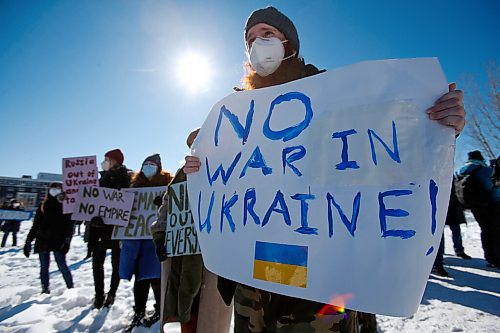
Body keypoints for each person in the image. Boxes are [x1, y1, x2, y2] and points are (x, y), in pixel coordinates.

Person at [183, 6, 466, 332]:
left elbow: (388, 145)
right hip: (255, 283)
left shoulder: (333, 94)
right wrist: (201, 166)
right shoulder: (236, 114)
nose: (257, 43)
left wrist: (438, 126)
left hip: (322, 282)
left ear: (288, 43)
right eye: (250, 39)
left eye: (267, 34)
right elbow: (227, 179)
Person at [152, 128, 204, 333]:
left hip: (210, 257)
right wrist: (159, 234)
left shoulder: (226, 167)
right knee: (181, 295)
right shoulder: (181, 174)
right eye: (193, 145)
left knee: (202, 300)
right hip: (182, 249)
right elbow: (167, 206)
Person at [121, 154, 173, 331]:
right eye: (145, 164)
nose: (148, 167)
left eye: (152, 165)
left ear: (159, 167)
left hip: (156, 239)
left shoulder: (168, 184)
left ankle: (160, 310)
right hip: (138, 241)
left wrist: (163, 202)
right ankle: (139, 312)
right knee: (140, 279)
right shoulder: (134, 186)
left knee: (157, 278)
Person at [89, 148, 131, 308]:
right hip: (99, 229)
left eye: (107, 159)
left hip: (117, 229)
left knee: (116, 264)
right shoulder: (100, 179)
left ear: (116, 161)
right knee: (96, 263)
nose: (105, 161)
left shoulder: (127, 179)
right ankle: (98, 294)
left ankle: (112, 293)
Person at [23, 182, 74, 294]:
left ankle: (70, 287)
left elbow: (70, 226)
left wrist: (67, 240)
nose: (55, 190)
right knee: (44, 267)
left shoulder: (66, 206)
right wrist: (28, 240)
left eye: (57, 188)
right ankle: (45, 288)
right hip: (43, 240)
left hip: (58, 240)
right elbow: (36, 225)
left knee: (61, 264)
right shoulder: (43, 206)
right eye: (53, 188)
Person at [457, 150, 500, 268]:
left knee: (485, 231)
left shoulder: (463, 171)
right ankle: (497, 258)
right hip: (490, 205)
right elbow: (495, 189)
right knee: (495, 232)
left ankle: (490, 258)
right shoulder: (484, 170)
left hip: (475, 206)